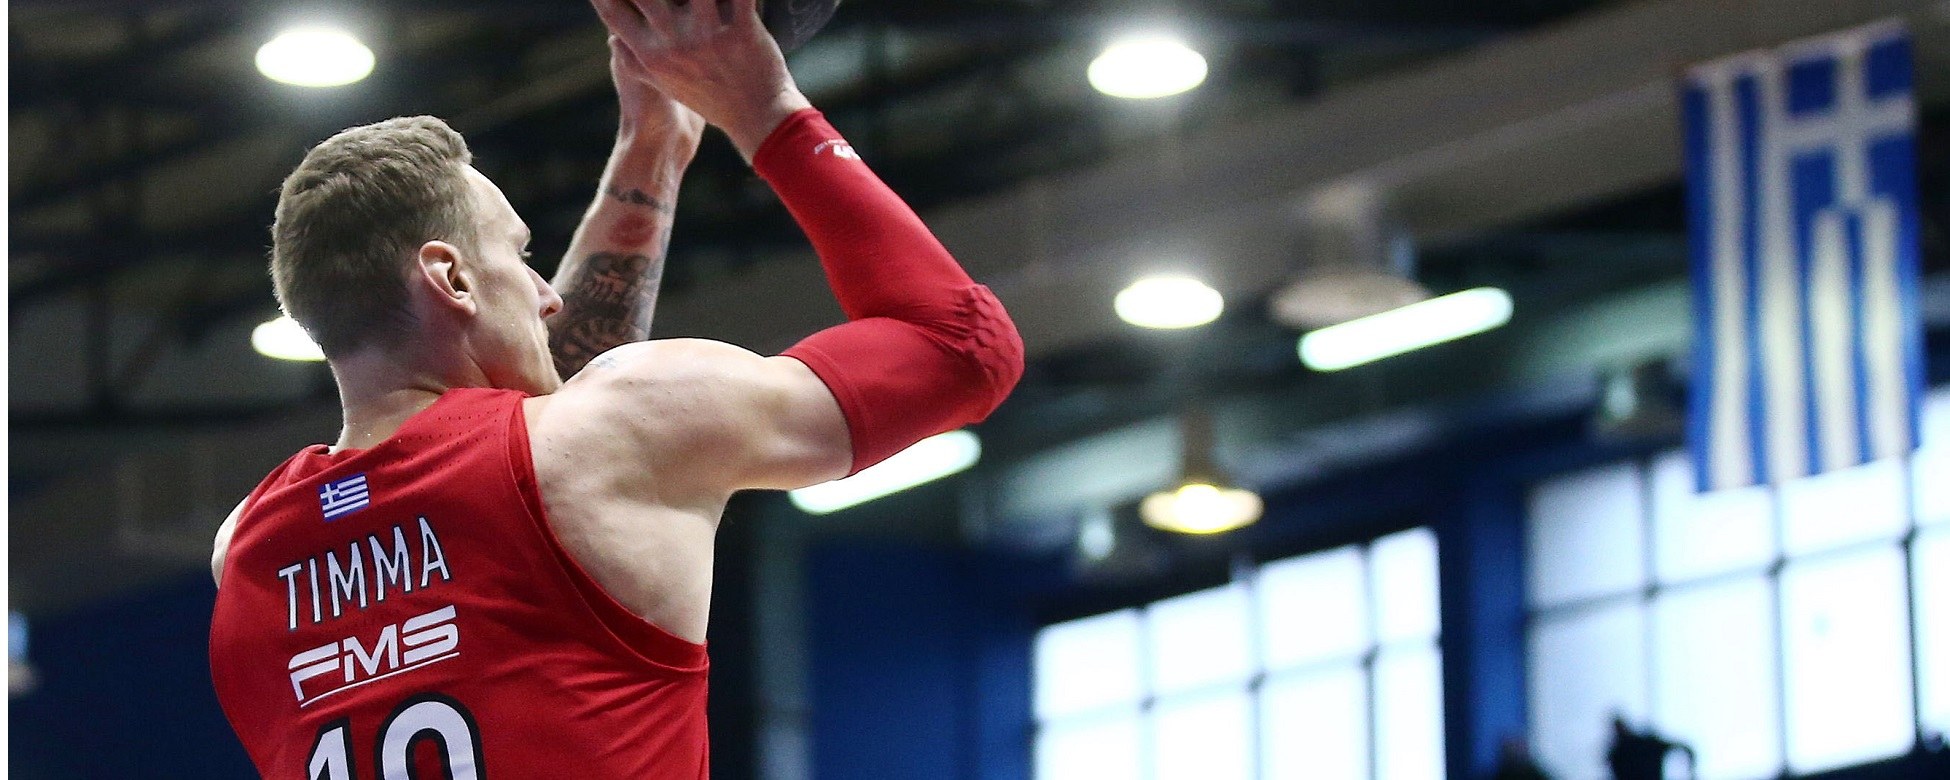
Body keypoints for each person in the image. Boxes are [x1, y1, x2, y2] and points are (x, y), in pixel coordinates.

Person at [206, 0, 1024, 776]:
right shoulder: (611, 435)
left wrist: (652, 147)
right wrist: (761, 105)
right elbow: (963, 347)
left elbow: (515, 446)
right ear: (451, 278)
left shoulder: (246, 550)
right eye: (520, 256)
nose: (548, 296)